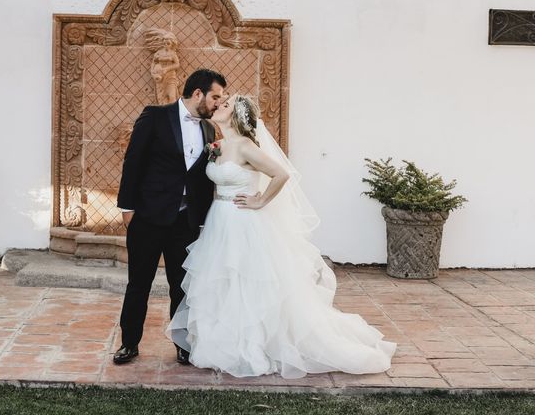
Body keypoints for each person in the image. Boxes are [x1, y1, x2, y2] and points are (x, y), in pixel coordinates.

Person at [166, 94, 396, 379]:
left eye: (225, 105)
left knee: (248, 283)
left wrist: (260, 201)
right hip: (220, 222)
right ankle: (224, 344)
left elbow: (281, 174)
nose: (218, 106)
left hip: (244, 222)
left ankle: (254, 345)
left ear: (236, 116)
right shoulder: (218, 146)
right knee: (224, 283)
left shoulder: (246, 146)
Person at [114, 68, 226, 365]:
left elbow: (202, 179)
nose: (218, 103)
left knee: (182, 286)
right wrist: (127, 209)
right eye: (215, 96)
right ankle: (129, 343)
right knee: (139, 283)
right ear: (198, 93)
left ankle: (182, 344)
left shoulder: (209, 130)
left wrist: (203, 219)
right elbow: (133, 161)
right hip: (148, 217)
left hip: (185, 221)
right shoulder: (155, 116)